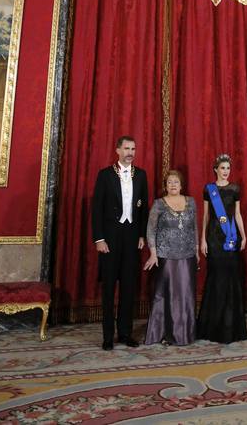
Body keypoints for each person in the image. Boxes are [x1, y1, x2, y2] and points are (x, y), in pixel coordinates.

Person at [91, 135, 148, 350]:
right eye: (126, 148)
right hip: (109, 238)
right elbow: (96, 209)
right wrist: (99, 239)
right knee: (108, 289)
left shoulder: (141, 175)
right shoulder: (105, 175)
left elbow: (144, 209)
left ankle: (125, 333)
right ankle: (107, 336)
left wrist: (142, 235)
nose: (130, 152)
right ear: (117, 150)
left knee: (128, 287)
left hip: (132, 237)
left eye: (133, 148)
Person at [197, 153, 247, 343]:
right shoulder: (208, 189)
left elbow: (237, 214)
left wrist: (244, 236)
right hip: (213, 238)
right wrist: (202, 240)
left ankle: (230, 325)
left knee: (230, 279)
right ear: (215, 170)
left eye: (228, 168)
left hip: (231, 238)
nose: (226, 172)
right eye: (222, 168)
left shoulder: (235, 189)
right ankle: (212, 326)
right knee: (215, 279)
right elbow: (205, 217)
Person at [143, 169, 198, 346]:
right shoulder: (159, 204)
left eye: (176, 181)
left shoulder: (191, 202)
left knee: (185, 294)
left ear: (181, 185)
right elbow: (151, 230)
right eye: (169, 182)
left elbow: (195, 228)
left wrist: (196, 250)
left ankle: (185, 333)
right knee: (167, 295)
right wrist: (153, 253)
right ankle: (165, 332)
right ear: (165, 186)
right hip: (165, 256)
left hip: (187, 255)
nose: (173, 184)